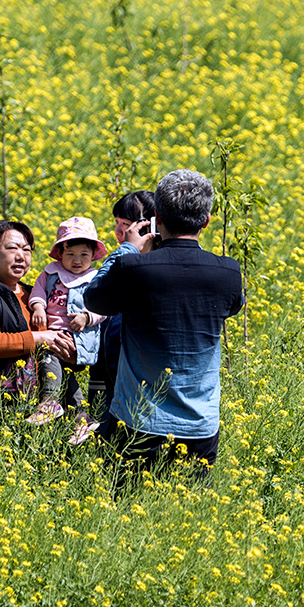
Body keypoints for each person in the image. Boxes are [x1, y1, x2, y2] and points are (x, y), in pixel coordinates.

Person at [85, 170, 243, 480]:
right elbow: (232, 306)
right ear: (207, 220)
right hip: (199, 424)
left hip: (137, 422)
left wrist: (128, 249)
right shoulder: (228, 272)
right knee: (188, 517)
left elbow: (94, 299)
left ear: (157, 216)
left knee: (126, 513)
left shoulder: (135, 268)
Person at [0, 220, 75, 418]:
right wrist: (41, 338)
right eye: (12, 248)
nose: (21, 256)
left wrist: (73, 353)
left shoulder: (36, 296)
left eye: (27, 250)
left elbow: (58, 337)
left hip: (50, 412)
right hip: (3, 408)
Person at [73, 190, 157, 417]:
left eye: (127, 224)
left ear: (148, 227)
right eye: (117, 223)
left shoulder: (153, 267)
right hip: (105, 370)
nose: (120, 231)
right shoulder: (121, 260)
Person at [26, 216, 106, 440]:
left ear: (93, 255)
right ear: (60, 254)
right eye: (70, 254)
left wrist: (87, 317)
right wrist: (39, 308)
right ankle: (82, 420)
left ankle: (50, 402)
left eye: (84, 255)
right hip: (52, 332)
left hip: (78, 339)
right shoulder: (51, 273)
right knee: (64, 375)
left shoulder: (95, 278)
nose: (77, 260)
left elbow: (104, 307)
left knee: (48, 360)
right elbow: (38, 292)